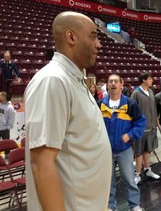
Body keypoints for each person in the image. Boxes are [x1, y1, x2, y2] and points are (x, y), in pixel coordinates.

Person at [24, 11, 112, 211]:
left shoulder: (75, 80)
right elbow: (41, 162)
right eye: (93, 36)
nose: (99, 44)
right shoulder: (53, 80)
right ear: (71, 37)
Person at [98, 74, 146, 211]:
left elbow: (140, 122)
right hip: (106, 151)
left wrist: (130, 135)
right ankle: (110, 206)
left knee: (130, 180)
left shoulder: (129, 104)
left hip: (124, 150)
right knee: (108, 181)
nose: (113, 84)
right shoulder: (100, 104)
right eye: (110, 81)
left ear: (121, 84)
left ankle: (134, 205)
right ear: (107, 85)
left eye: (115, 81)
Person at [131, 72, 160, 184]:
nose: (152, 81)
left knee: (148, 150)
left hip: (151, 126)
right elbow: (132, 111)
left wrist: (156, 121)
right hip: (140, 128)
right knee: (138, 152)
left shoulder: (151, 92)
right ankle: (137, 174)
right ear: (143, 80)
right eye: (149, 79)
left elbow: (154, 108)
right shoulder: (136, 93)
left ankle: (148, 169)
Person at [0, 91, 16, 157]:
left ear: (4, 97)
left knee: (6, 145)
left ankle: (7, 157)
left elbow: (12, 119)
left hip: (5, 129)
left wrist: (8, 127)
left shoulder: (10, 108)